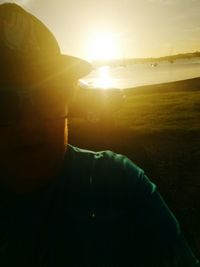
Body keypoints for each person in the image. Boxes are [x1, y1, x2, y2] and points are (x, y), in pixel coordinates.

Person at [0, 3, 199, 267]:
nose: (28, 125)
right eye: (4, 104)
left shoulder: (119, 183)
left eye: (47, 96)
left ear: (69, 99)